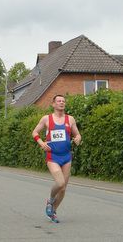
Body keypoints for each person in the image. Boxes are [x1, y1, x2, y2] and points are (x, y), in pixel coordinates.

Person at [32, 94, 81, 223]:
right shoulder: (46, 119)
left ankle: (53, 211)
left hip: (66, 156)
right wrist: (41, 143)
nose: (61, 103)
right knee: (60, 183)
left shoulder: (70, 119)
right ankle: (51, 199)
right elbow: (35, 132)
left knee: (64, 188)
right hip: (52, 156)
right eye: (59, 101)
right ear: (53, 104)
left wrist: (77, 139)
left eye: (63, 101)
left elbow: (77, 135)